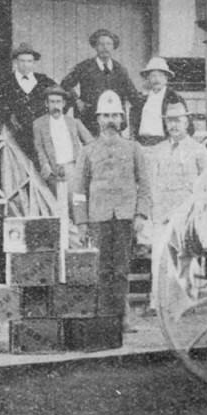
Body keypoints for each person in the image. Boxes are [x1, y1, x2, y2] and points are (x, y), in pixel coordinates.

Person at [71, 90, 151, 325]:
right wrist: (82, 222)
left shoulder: (133, 148)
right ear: (97, 120)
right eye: (105, 116)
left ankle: (122, 316)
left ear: (122, 119)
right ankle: (105, 317)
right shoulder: (88, 151)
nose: (110, 121)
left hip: (125, 217)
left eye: (115, 116)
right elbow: (78, 191)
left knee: (121, 268)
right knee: (101, 269)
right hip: (98, 217)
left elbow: (145, 184)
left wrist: (141, 214)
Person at [145, 97, 207, 314]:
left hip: (187, 215)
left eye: (177, 120)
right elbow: (151, 183)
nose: (173, 125)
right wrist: (153, 212)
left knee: (185, 258)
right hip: (162, 213)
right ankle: (157, 303)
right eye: (169, 121)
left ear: (186, 122)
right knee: (159, 259)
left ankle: (187, 303)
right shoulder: (158, 150)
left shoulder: (199, 151)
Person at [61, 29, 139, 135]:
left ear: (113, 47)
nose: (105, 48)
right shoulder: (84, 67)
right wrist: (77, 101)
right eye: (101, 44)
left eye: (108, 44)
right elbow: (65, 84)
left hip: (114, 123)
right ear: (95, 47)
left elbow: (132, 94)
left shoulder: (120, 69)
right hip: (89, 120)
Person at [0, 42, 57, 161]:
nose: (26, 65)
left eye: (29, 61)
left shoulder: (44, 81)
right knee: (19, 166)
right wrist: (8, 115)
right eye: (22, 61)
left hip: (41, 134)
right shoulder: (5, 83)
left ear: (34, 63)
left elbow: (61, 98)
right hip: (16, 134)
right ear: (15, 62)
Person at [32, 85, 93, 191]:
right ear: (46, 104)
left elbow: (91, 143)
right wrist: (45, 165)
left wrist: (84, 162)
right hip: (54, 171)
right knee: (59, 204)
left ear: (63, 103)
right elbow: (39, 148)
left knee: (76, 201)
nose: (56, 106)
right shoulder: (39, 124)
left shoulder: (73, 122)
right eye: (52, 102)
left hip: (73, 168)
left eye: (58, 102)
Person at [129, 57, 182, 146]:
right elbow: (133, 122)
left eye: (160, 75)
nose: (157, 79)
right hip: (142, 143)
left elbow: (184, 125)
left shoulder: (173, 97)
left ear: (166, 78)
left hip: (164, 143)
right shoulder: (142, 98)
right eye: (153, 76)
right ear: (148, 78)